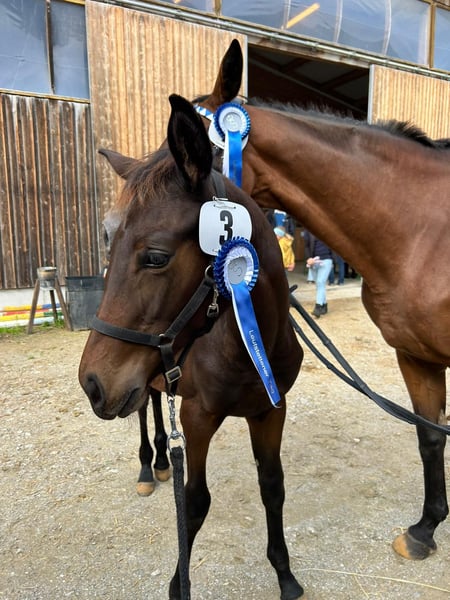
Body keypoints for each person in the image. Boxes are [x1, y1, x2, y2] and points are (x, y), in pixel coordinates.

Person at [303, 229, 334, 317]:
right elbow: (307, 245)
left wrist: (333, 260)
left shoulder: (329, 230)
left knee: (320, 282)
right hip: (313, 260)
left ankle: (318, 307)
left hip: (327, 259)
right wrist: (309, 258)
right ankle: (324, 305)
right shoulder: (308, 231)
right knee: (319, 284)